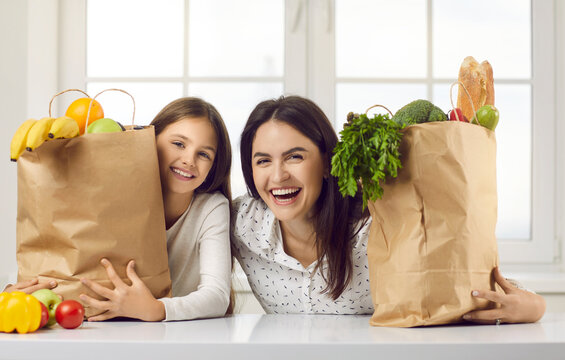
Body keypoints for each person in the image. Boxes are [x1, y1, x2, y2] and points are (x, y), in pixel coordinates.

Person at [231, 95, 546, 324]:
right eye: (263, 160)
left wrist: (534, 307)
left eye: (294, 157)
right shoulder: (243, 225)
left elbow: (460, 281)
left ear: (328, 163)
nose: (278, 176)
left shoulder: (379, 223)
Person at [5, 97, 234, 322]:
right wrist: (12, 301)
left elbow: (217, 295)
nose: (189, 160)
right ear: (149, 139)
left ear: (214, 165)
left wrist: (155, 310)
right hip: (96, 328)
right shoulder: (111, 195)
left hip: (171, 336)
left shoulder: (211, 209)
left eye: (204, 154)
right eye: (179, 144)